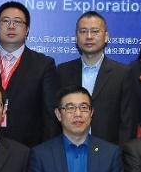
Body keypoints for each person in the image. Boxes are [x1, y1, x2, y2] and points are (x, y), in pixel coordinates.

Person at [0, 1, 58, 147]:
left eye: (17, 21)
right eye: (5, 21)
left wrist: (46, 153)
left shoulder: (43, 65)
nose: (11, 26)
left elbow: (50, 117)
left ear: (27, 29)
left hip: (28, 148)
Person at [55, 12, 136, 144]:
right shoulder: (62, 71)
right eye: (83, 31)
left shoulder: (123, 73)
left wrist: (122, 153)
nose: (89, 36)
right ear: (76, 37)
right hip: (69, 147)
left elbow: (128, 122)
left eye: (95, 31)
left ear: (106, 37)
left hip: (109, 149)